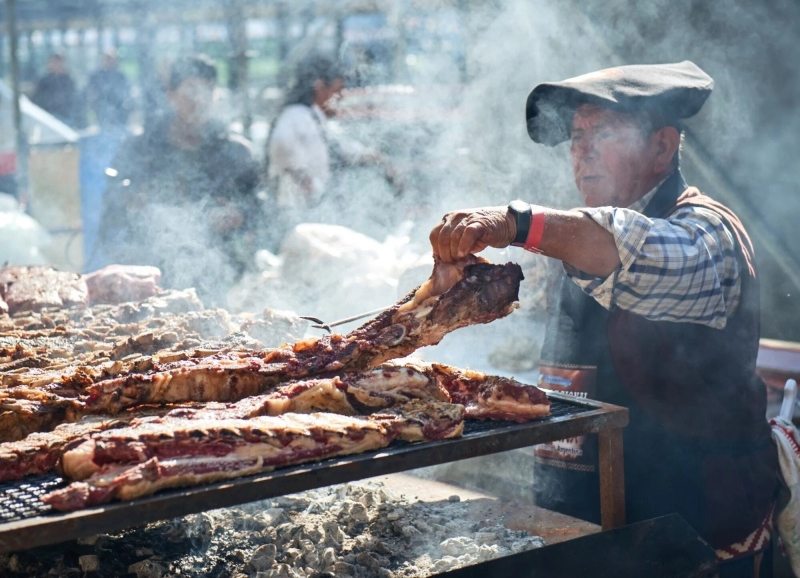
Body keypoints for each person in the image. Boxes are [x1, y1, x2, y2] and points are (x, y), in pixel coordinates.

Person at [429, 61, 777, 577]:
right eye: (575, 136)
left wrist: (515, 223)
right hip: (587, 528)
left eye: (603, 132)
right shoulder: (578, 241)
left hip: (690, 539)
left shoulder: (707, 233)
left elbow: (630, 247)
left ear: (662, 147)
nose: (582, 151)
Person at [92, 54, 261, 306]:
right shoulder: (140, 149)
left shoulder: (236, 152)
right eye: (191, 89)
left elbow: (260, 205)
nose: (199, 98)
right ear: (170, 93)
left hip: (222, 279)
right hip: (150, 281)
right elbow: (111, 208)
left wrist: (239, 213)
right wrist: (131, 202)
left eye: (208, 89)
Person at [265, 53, 402, 245]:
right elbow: (282, 144)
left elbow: (342, 147)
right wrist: (304, 179)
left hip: (313, 212)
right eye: (337, 91)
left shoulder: (315, 119)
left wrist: (378, 159)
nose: (340, 97)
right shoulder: (295, 116)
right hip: (295, 215)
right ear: (320, 87)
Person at [84, 48, 133, 131]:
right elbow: (90, 93)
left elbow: (125, 94)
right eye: (107, 58)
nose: (109, 61)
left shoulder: (121, 76)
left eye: (111, 59)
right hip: (101, 112)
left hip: (119, 114)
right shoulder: (95, 76)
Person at [31, 53, 79, 127]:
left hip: (66, 117)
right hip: (47, 117)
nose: (56, 65)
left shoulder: (69, 80)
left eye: (58, 62)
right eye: (54, 62)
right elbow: (37, 99)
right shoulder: (43, 81)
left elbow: (74, 100)